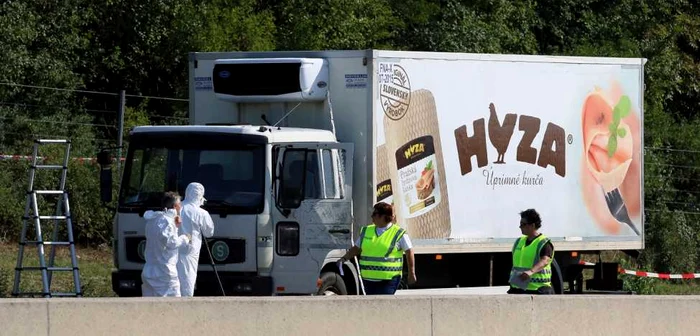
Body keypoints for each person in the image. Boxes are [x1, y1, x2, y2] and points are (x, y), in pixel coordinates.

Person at [339, 202, 416, 295]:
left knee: (383, 305)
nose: (372, 217)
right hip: (368, 279)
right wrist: (343, 259)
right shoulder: (367, 230)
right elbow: (356, 248)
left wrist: (411, 273)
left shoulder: (399, 233)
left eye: (374, 214)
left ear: (383, 216)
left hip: (389, 280)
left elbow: (409, 252)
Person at [141, 191, 191, 297]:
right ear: (175, 206)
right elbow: (171, 243)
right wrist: (185, 238)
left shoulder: (153, 219)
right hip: (164, 271)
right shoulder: (166, 221)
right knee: (172, 304)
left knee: (148, 305)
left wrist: (175, 227)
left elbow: (161, 240)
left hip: (150, 270)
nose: (181, 206)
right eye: (180, 204)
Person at [177, 182, 215, 297]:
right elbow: (209, 233)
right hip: (190, 250)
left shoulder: (177, 208)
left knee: (174, 278)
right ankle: (186, 303)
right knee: (188, 276)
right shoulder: (201, 213)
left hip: (174, 248)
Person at [508, 208, 555, 295]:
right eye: (520, 224)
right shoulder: (519, 241)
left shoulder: (543, 242)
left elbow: (545, 261)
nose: (520, 227)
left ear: (532, 225)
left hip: (537, 290)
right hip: (518, 289)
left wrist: (531, 272)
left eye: (523, 224)